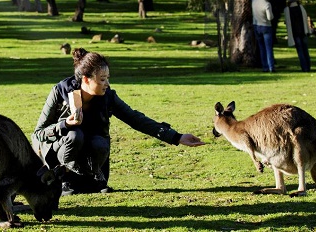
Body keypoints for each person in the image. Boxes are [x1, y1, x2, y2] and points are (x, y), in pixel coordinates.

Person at [32, 48, 205, 196]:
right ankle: (64, 180)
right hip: (62, 152)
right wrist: (64, 125)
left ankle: (94, 179)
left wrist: (176, 137)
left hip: (92, 159)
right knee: (74, 135)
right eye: (102, 79)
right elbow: (38, 134)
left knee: (99, 142)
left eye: (108, 78)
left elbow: (136, 119)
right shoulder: (59, 92)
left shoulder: (108, 97)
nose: (107, 83)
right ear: (86, 79)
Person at [284, 0, 312, 72]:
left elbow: (288, 22)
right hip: (303, 32)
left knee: (300, 51)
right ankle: (308, 66)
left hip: (295, 33)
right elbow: (305, 20)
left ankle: (304, 67)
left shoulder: (287, 10)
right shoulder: (301, 8)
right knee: (305, 50)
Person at [252, 0, 275, 72]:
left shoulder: (254, 1)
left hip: (257, 25)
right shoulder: (267, 4)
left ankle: (265, 66)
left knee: (261, 47)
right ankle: (271, 67)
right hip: (266, 26)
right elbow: (270, 17)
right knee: (268, 48)